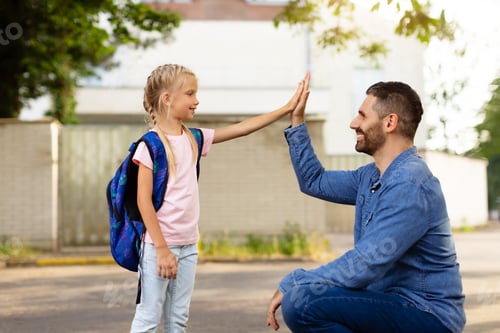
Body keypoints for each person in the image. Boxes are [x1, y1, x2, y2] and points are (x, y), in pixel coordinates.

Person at [266, 74, 466, 333]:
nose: (353, 123)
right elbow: (314, 181)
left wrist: (295, 280)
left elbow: (366, 264)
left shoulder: (411, 182)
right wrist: (297, 122)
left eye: (362, 115)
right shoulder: (371, 176)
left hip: (427, 313)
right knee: (302, 300)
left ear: (389, 122)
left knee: (302, 303)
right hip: (391, 303)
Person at [130, 64, 306, 333]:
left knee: (178, 320)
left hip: (188, 245)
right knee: (149, 319)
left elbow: (242, 128)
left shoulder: (194, 139)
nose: (196, 100)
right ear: (167, 99)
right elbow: (143, 201)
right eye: (189, 94)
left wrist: (285, 109)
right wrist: (163, 250)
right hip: (157, 248)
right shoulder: (150, 145)